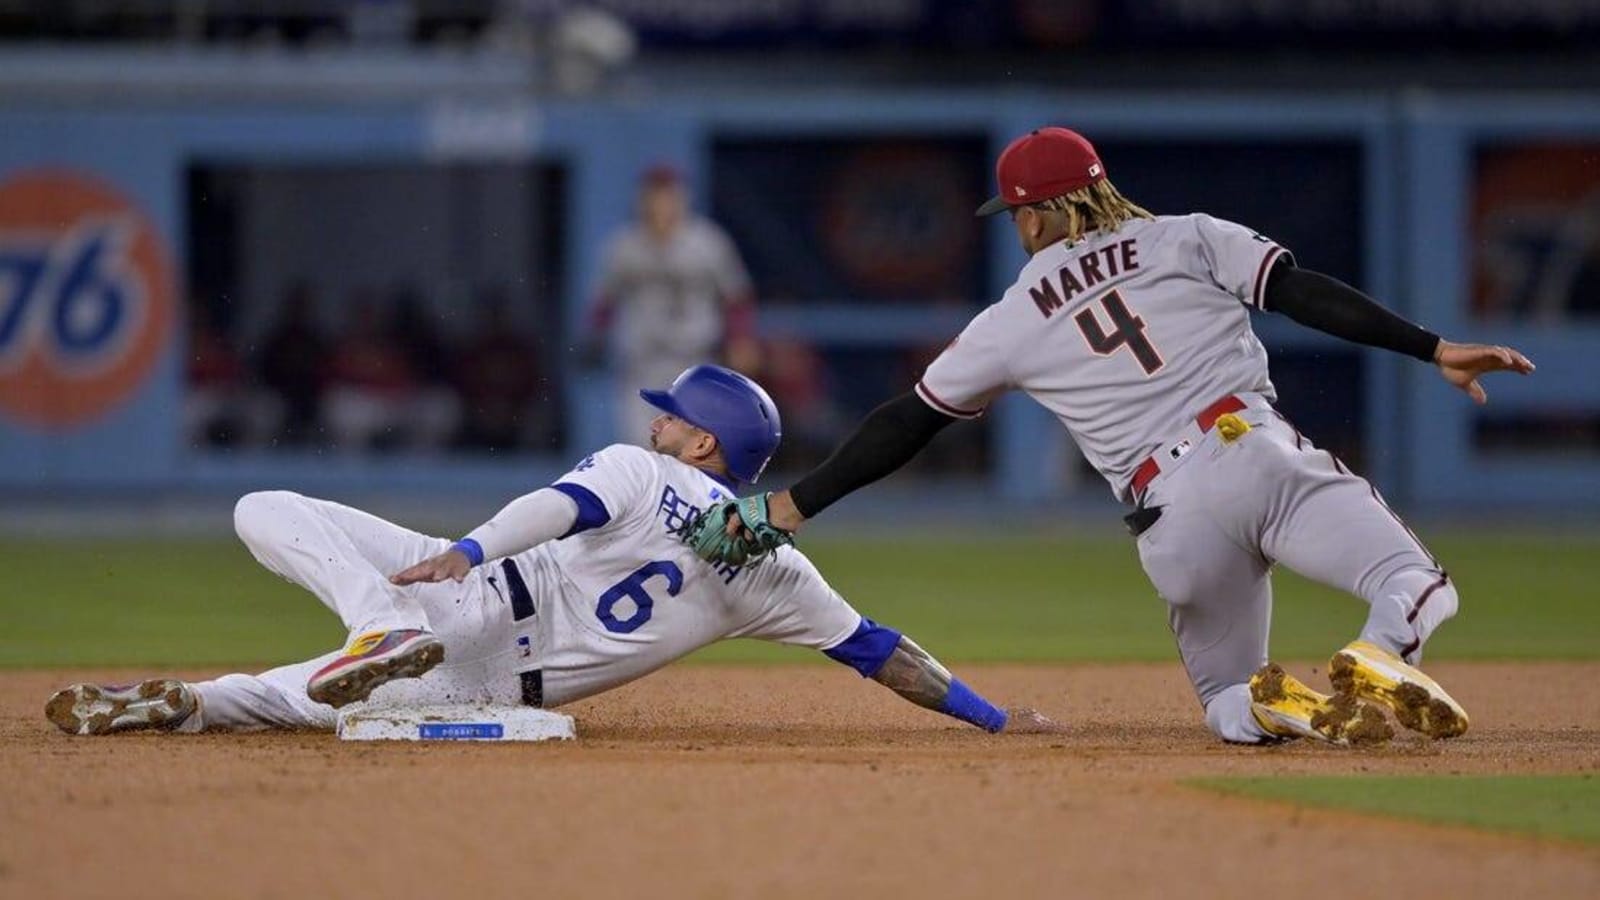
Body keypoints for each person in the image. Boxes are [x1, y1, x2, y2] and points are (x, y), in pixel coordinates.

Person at [686, 127, 1537, 747]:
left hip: (1164, 517)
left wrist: (792, 506)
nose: (1018, 228)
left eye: (1020, 212)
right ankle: (1382, 651)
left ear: (1051, 209)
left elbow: (904, 423)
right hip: (1248, 447)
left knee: (1223, 701)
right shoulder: (1189, 237)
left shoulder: (1013, 315)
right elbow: (1304, 293)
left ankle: (1272, 709)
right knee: (1413, 579)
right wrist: (1433, 348)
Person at [46, 366, 1053, 738]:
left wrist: (470, 548)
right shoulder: (777, 575)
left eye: (673, 419)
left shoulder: (640, 468)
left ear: (702, 445)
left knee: (262, 507)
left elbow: (555, 504)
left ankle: (376, 626)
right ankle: (194, 698)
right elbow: (881, 652)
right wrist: (991, 716)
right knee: (280, 700)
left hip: (472, 592)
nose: (658, 424)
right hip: (489, 689)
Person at [586, 165, 763, 444]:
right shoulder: (624, 246)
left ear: (682, 199)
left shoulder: (707, 242)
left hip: (694, 360)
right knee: (641, 447)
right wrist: (594, 339)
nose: (661, 204)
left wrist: (741, 340)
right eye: (654, 196)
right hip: (641, 364)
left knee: (692, 448)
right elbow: (605, 301)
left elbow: (736, 297)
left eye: (668, 196)